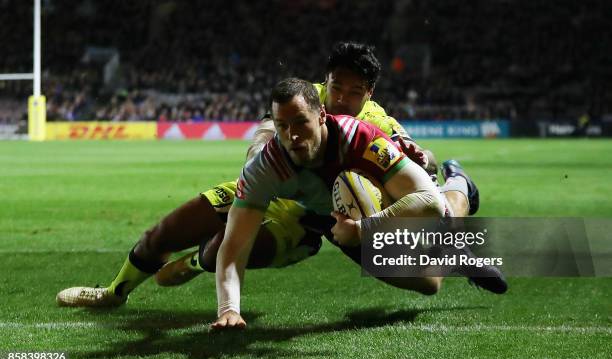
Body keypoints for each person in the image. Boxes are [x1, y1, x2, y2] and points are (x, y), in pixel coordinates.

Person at [55, 42, 483, 308]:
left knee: (429, 277)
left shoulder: (376, 124)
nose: (342, 98)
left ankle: (460, 187)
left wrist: (417, 165)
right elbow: (265, 127)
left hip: (336, 217)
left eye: (355, 92)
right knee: (163, 234)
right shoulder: (304, 99)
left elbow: (417, 166)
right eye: (336, 88)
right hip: (275, 194)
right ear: (324, 84)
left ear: (369, 94)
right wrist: (263, 151)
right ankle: (112, 294)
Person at [211, 78, 505, 329]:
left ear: (322, 116)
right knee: (429, 284)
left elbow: (429, 202)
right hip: (337, 218)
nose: (293, 135)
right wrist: (228, 309)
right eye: (282, 126)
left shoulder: (360, 138)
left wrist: (364, 228)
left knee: (446, 216)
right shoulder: (264, 167)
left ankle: (459, 183)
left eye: (301, 122)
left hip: (384, 197)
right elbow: (235, 245)